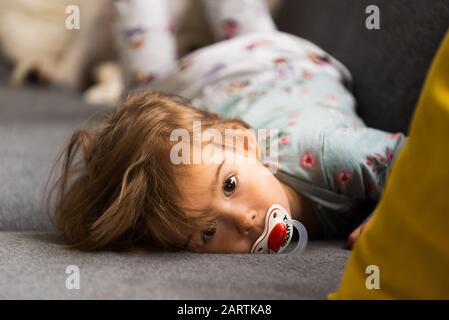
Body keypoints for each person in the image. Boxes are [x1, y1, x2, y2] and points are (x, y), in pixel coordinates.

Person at [49, 0, 406, 253]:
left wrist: (391, 215)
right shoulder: (217, 156)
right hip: (218, 88)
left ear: (244, 142)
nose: (244, 222)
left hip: (277, 60)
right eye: (206, 232)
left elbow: (406, 155)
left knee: (146, 90)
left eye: (230, 184)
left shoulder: (327, 150)